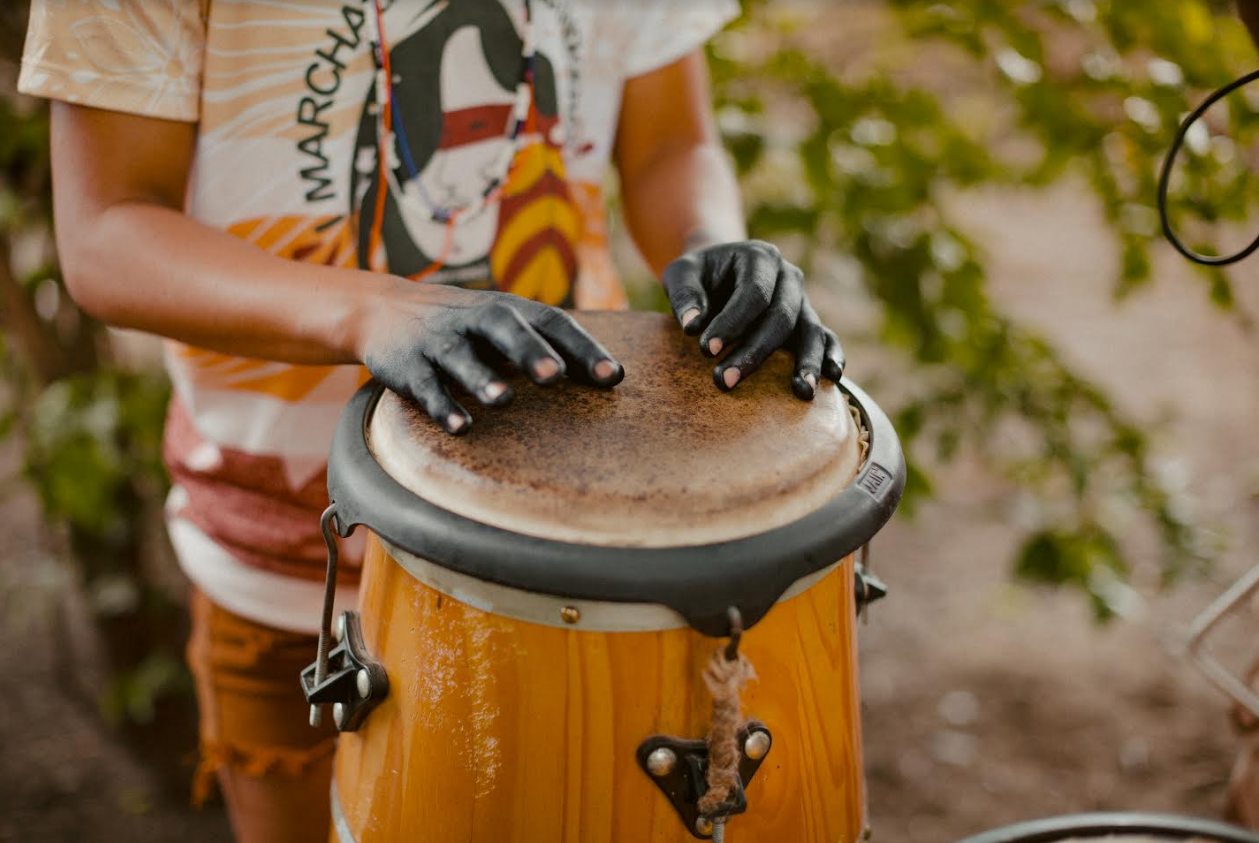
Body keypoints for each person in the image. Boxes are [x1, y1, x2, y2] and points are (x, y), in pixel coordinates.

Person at [18, 1, 847, 841]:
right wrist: (372, 312)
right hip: (288, 571)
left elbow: (672, 142)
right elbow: (108, 233)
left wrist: (713, 245)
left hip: (581, 560)